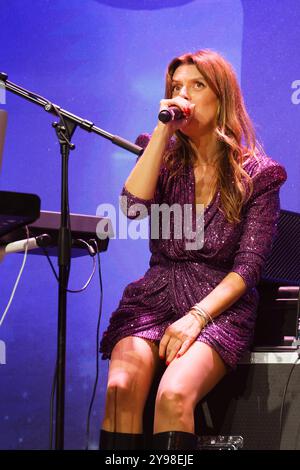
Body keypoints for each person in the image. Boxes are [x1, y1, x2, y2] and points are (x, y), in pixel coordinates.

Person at [99, 49, 287, 450]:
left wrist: (196, 316)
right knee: (120, 388)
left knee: (172, 395)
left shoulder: (259, 174)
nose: (182, 97)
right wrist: (162, 132)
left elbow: (248, 267)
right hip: (155, 295)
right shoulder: (159, 150)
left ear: (221, 98)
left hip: (216, 306)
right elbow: (132, 208)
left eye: (196, 86)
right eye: (176, 87)